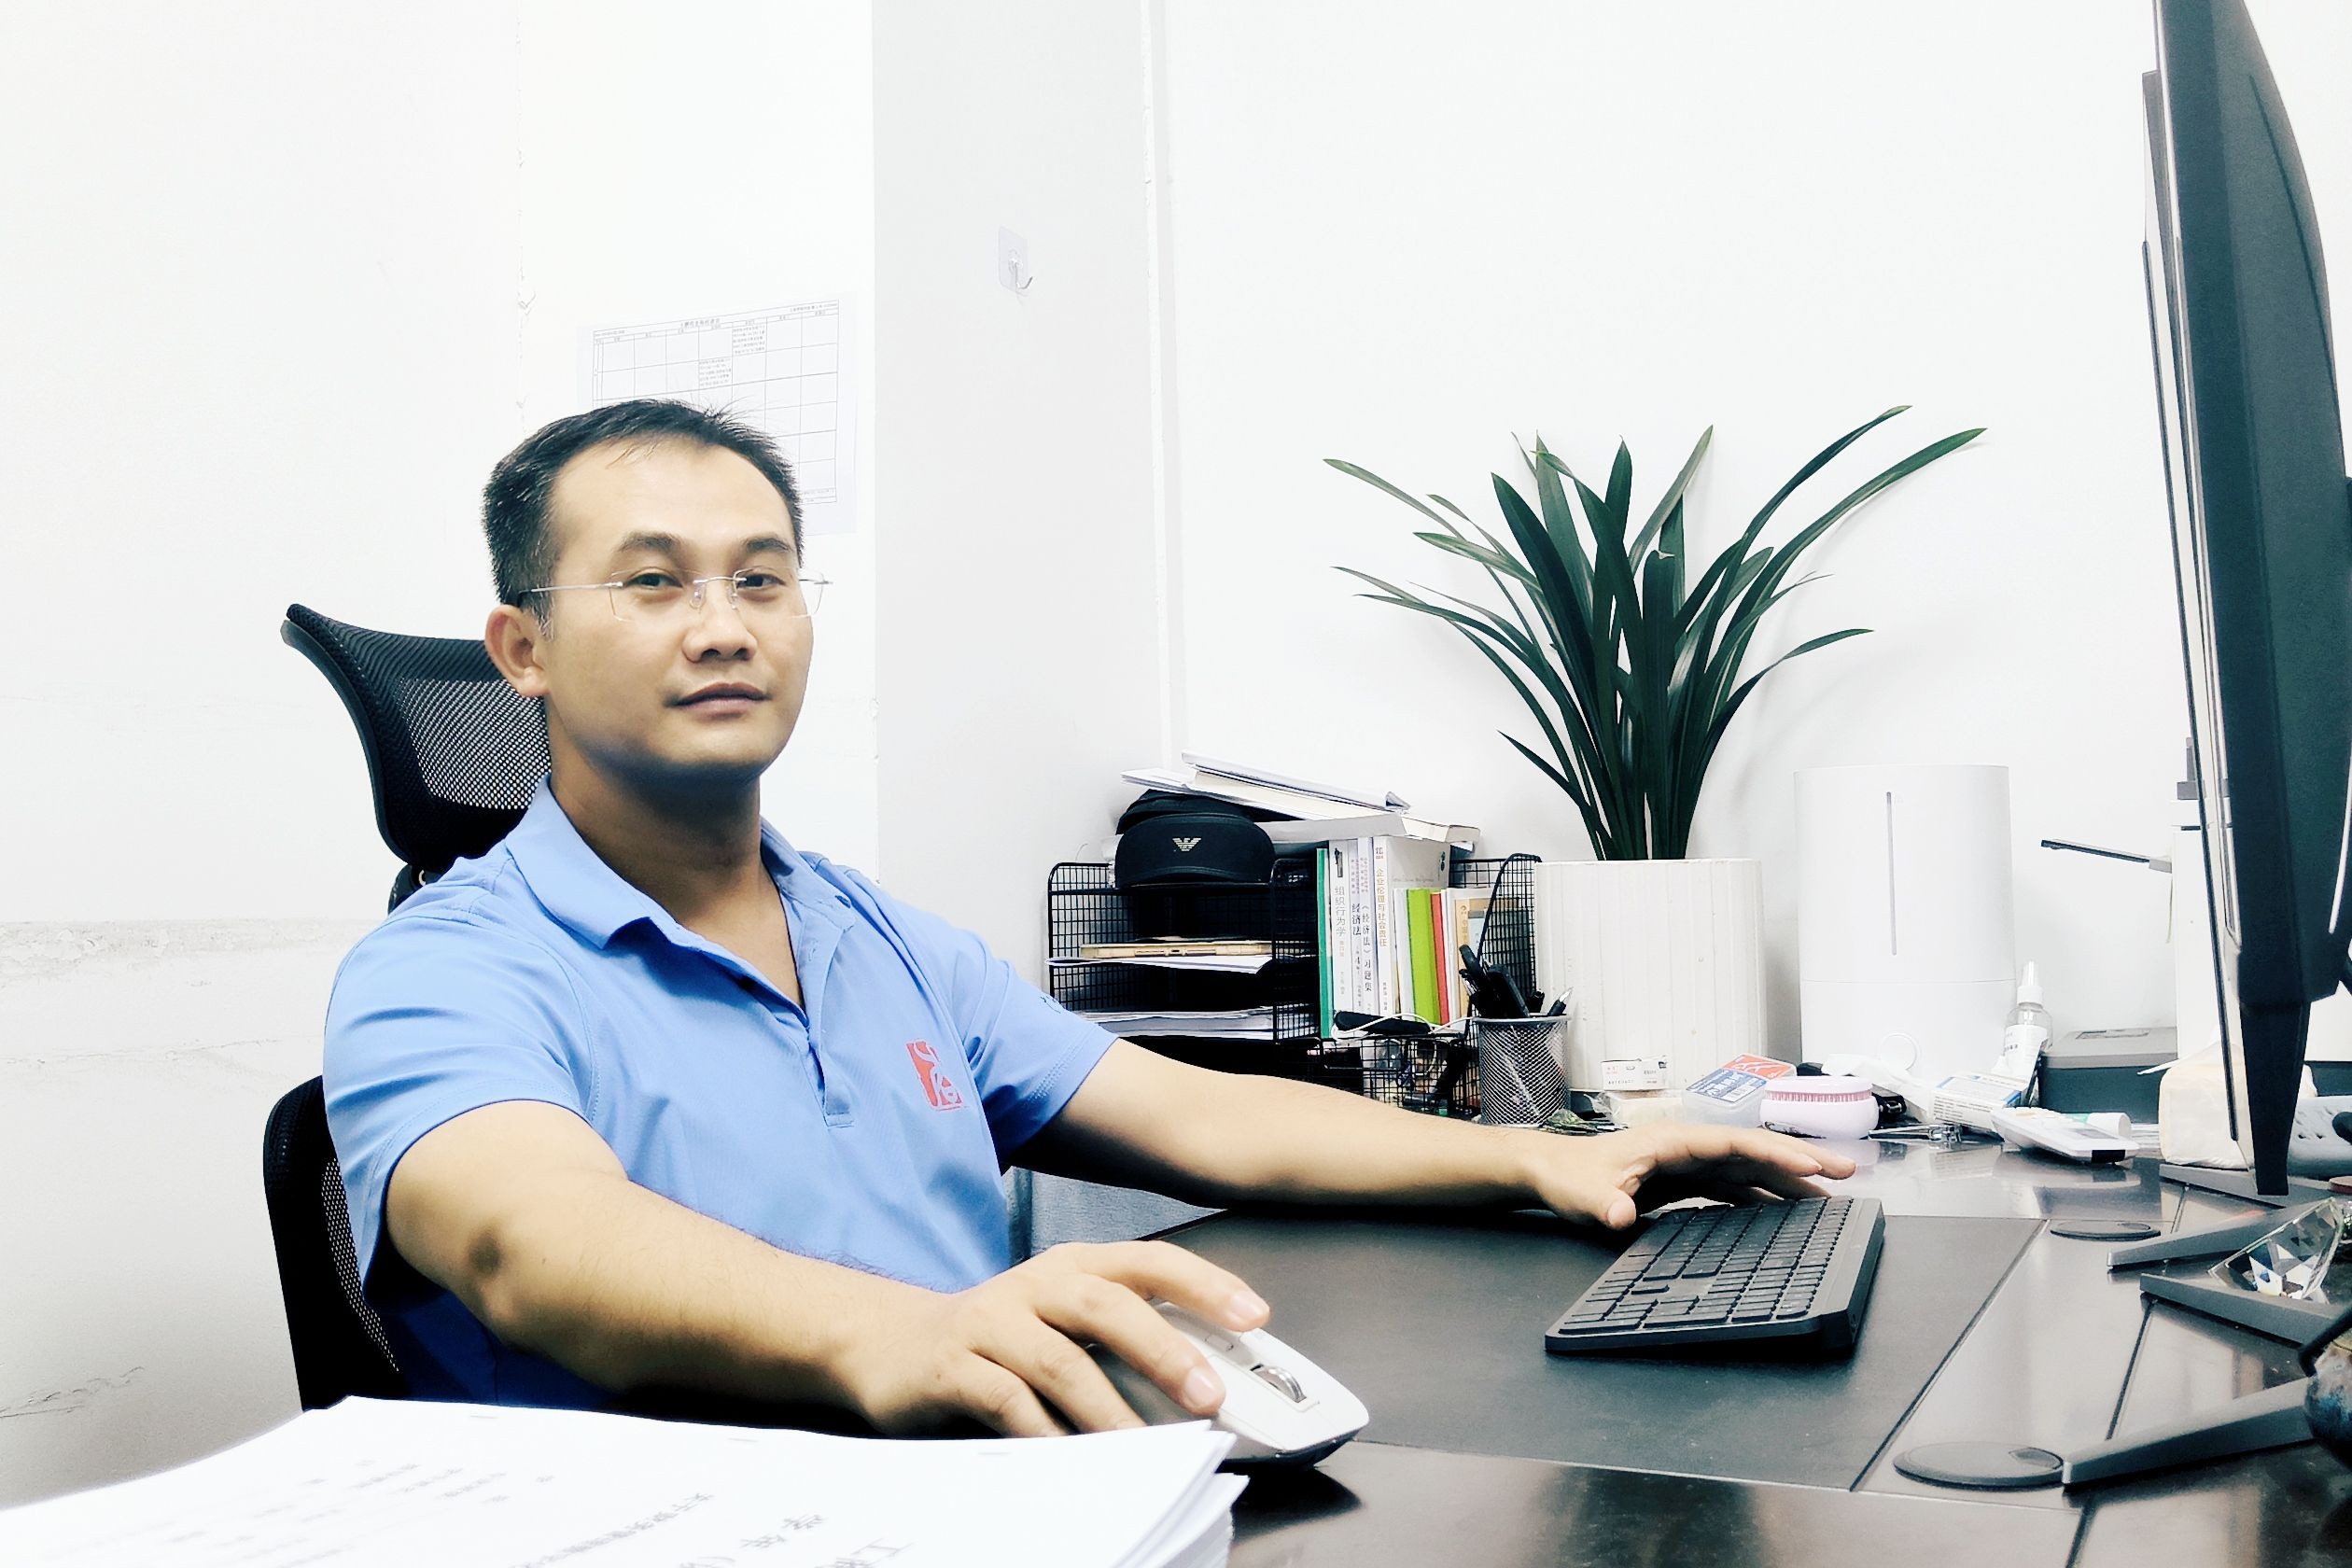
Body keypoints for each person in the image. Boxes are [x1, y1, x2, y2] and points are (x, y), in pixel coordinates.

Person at [323, 399, 1854, 1437]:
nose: (724, 627)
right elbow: (535, 1240)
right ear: (521, 650)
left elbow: (1202, 1118)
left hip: (1002, 1492)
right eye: (653, 584)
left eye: (764, 580)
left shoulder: (877, 936)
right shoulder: (442, 972)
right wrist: (898, 1333)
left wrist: (1543, 1157)